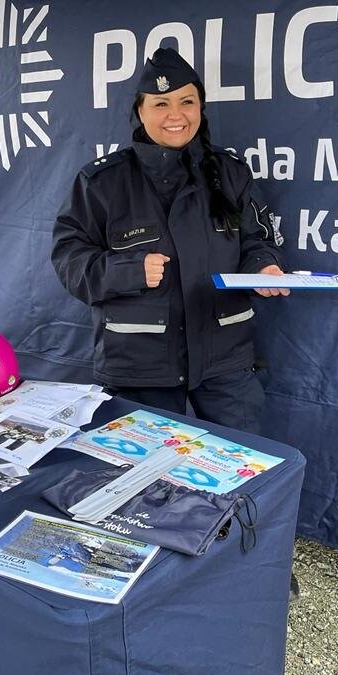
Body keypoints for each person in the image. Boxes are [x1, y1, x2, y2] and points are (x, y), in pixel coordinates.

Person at [52, 47, 288, 434]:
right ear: (140, 112)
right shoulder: (103, 182)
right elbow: (69, 260)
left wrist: (263, 267)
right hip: (140, 367)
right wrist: (130, 270)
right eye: (161, 104)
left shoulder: (230, 173)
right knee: (144, 470)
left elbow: (256, 240)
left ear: (201, 108)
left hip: (224, 360)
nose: (176, 115)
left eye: (187, 102)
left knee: (244, 463)